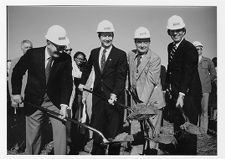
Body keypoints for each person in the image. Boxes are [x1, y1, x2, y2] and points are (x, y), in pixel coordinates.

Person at [11, 25, 73, 155]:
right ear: (48, 43)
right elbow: (17, 72)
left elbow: (67, 82)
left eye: (63, 47)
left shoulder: (65, 58)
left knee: (61, 132)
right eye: (58, 46)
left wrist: (64, 105)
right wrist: (16, 93)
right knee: (32, 137)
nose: (62, 50)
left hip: (55, 102)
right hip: (33, 100)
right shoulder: (32, 54)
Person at [78, 20, 128, 155]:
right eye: (104, 35)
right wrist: (82, 83)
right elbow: (87, 69)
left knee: (113, 134)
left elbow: (121, 77)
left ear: (113, 36)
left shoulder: (120, 54)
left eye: (110, 35)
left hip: (114, 99)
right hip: (98, 99)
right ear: (99, 36)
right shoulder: (94, 52)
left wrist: (114, 93)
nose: (107, 38)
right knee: (97, 131)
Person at [165, 15, 202, 155]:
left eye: (178, 30)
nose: (175, 33)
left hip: (189, 95)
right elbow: (170, 69)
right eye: (172, 31)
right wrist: (167, 85)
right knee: (178, 127)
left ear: (184, 31)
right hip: (176, 93)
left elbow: (187, 73)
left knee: (189, 128)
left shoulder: (190, 48)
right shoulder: (170, 47)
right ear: (168, 32)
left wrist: (181, 95)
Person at [127, 27, 165, 155]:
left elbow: (150, 82)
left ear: (149, 42)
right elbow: (130, 77)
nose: (142, 45)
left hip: (152, 102)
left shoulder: (155, 58)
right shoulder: (131, 55)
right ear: (135, 42)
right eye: (139, 42)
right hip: (137, 102)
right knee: (137, 134)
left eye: (145, 42)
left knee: (152, 135)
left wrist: (141, 105)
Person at [8, 40, 33, 152]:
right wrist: (13, 97)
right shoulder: (15, 61)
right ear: (22, 48)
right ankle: (20, 144)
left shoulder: (34, 61)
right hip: (19, 98)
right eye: (26, 47)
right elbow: (11, 81)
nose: (28, 49)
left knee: (31, 124)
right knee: (19, 122)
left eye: (30, 47)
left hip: (32, 99)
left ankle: (30, 145)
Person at [193, 41, 217, 134]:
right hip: (194, 90)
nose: (198, 50)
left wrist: (207, 81)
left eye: (200, 48)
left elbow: (213, 74)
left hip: (205, 89)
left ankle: (203, 130)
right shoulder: (191, 61)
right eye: (196, 49)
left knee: (204, 110)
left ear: (202, 49)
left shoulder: (208, 61)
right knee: (195, 110)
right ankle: (196, 129)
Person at [69, 51, 88, 154]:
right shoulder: (71, 67)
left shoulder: (84, 68)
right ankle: (71, 140)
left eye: (82, 59)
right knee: (72, 117)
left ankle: (78, 139)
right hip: (72, 95)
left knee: (80, 117)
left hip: (80, 96)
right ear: (74, 58)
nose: (80, 61)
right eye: (78, 58)